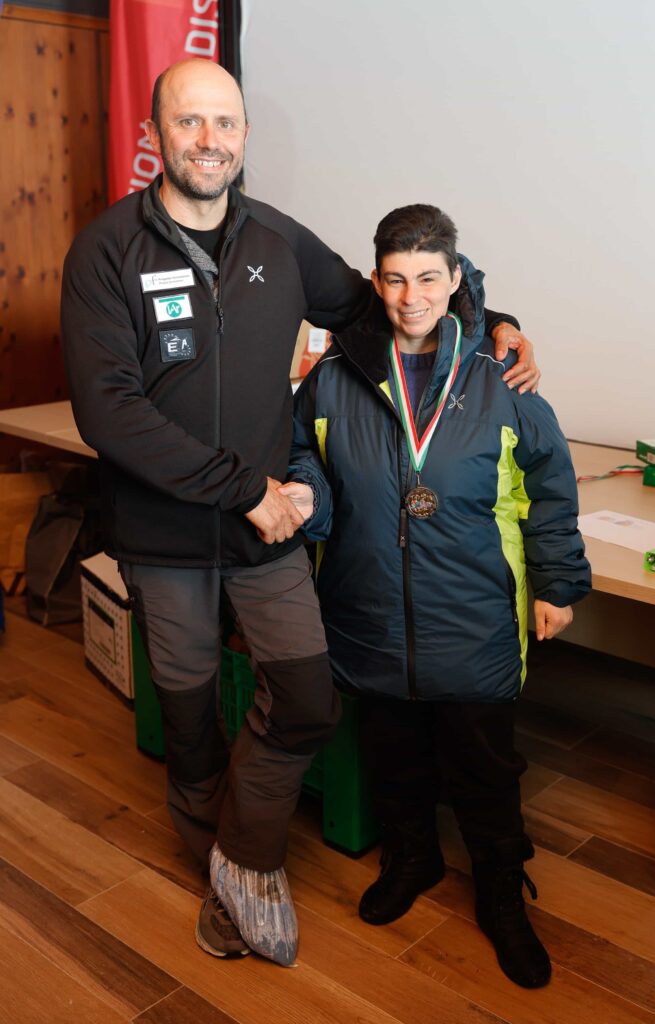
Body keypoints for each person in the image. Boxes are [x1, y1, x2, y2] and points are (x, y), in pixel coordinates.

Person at [60, 60, 539, 966]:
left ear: (243, 136)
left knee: (308, 701)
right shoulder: (105, 252)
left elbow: (384, 302)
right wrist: (247, 489)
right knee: (191, 720)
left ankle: (248, 860)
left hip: (263, 535)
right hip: (171, 538)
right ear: (157, 133)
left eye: (226, 124)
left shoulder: (275, 240)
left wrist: (489, 314)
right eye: (190, 123)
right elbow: (109, 411)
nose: (211, 141)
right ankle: (218, 874)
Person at [284, 204, 590, 987]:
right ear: (375, 280)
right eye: (394, 278)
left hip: (473, 616)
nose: (409, 295)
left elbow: (548, 491)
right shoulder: (332, 379)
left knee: (486, 769)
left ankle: (498, 894)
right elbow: (302, 461)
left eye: (427, 278)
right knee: (393, 755)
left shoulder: (501, 380)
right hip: (368, 609)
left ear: (456, 282)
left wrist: (556, 583)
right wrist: (305, 499)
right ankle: (412, 861)